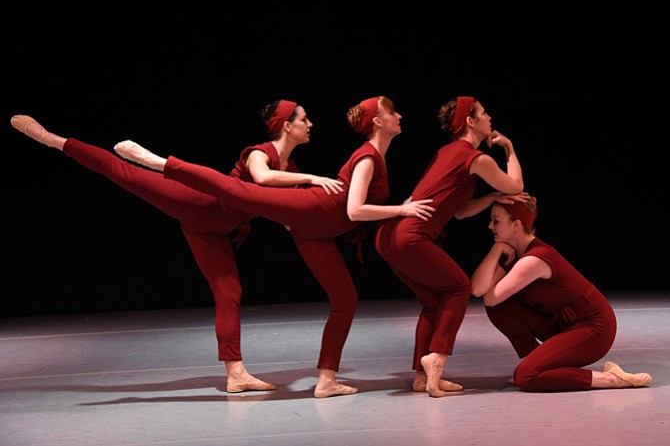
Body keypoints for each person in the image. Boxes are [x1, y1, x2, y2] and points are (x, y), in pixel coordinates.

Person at [113, 96, 441, 398]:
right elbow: (342, 205)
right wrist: (400, 209)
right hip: (316, 212)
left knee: (346, 301)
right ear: (378, 121)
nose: (399, 116)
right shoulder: (363, 156)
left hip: (318, 231)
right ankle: (157, 161)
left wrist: (292, 213)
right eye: (391, 112)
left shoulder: (357, 158)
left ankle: (326, 380)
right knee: (236, 190)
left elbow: (311, 204)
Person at [10, 100, 344, 394]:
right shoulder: (262, 153)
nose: (310, 124)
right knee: (124, 173)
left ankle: (236, 374)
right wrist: (314, 180)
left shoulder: (294, 171)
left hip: (217, 232)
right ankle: (53, 139)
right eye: (304, 119)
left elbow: (286, 212)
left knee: (229, 293)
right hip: (201, 204)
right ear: (286, 126)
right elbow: (261, 179)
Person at [374, 95, 526, 397]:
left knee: (433, 301)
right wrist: (509, 148)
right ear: (470, 121)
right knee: (457, 288)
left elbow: (459, 211)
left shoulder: (448, 151)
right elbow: (516, 186)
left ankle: (422, 376)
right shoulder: (477, 158)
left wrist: (491, 199)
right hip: (411, 237)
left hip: (390, 236)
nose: (489, 117)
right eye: (483, 113)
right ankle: (437, 358)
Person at [470, 196, 652, 391]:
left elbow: (490, 297)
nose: (490, 226)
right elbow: (478, 289)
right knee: (500, 308)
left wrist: (497, 249)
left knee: (526, 376)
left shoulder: (535, 259)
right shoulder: (514, 253)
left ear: (516, 225)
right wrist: (496, 250)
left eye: (496, 221)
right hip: (564, 323)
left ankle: (611, 379)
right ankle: (533, 361)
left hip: (594, 329)